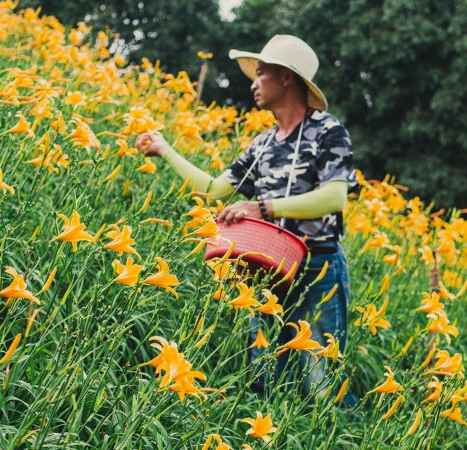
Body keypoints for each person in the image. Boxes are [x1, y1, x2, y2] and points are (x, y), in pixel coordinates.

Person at [136, 35, 357, 402]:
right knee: (264, 374)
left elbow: (335, 197)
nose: (254, 83)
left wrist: (264, 208)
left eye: (262, 74)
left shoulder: (327, 130)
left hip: (319, 268)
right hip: (269, 265)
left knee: (322, 383)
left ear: (286, 78)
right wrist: (165, 149)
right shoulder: (264, 143)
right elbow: (213, 190)